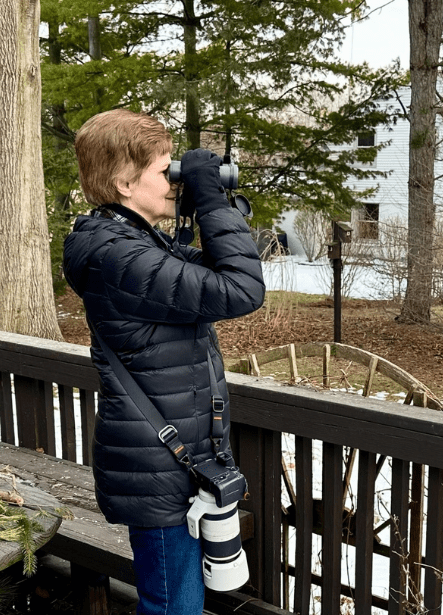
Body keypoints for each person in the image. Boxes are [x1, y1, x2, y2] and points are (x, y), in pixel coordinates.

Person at [62, 109, 265, 615]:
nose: (175, 182)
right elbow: (242, 289)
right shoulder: (117, 255)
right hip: (159, 469)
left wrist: (204, 204)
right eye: (165, 171)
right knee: (175, 608)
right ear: (124, 183)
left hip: (177, 462)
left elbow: (223, 269)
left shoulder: (133, 242)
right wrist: (214, 198)